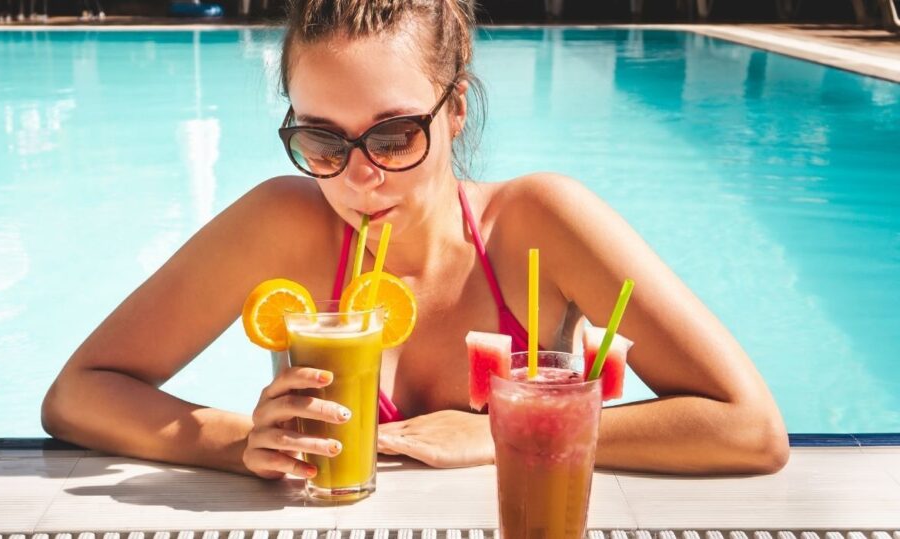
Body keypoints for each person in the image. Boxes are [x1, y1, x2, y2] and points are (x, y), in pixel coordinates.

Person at [41, 0, 789, 479]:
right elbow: (78, 394)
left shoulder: (539, 225)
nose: (361, 176)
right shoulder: (282, 224)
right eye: (323, 140)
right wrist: (236, 443)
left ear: (455, 108)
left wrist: (508, 432)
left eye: (395, 135)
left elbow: (749, 426)